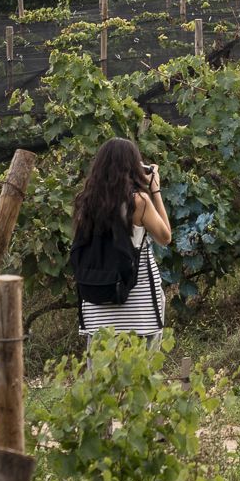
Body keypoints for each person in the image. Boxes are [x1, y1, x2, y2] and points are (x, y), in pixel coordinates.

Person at [71, 137, 172, 340]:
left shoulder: (85, 201)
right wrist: (155, 190)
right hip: (137, 309)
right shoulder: (137, 201)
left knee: (101, 371)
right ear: (133, 166)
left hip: (96, 307)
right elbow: (165, 236)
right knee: (141, 369)